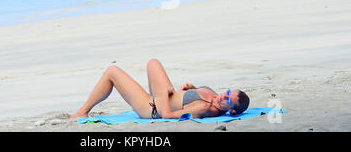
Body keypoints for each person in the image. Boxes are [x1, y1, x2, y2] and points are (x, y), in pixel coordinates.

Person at [70, 59, 250, 121]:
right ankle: (82, 112)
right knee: (153, 62)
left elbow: (167, 116)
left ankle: (82, 112)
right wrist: (191, 90)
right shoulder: (213, 99)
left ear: (231, 111)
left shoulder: (204, 108)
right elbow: (188, 99)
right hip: (163, 96)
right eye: (226, 92)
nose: (222, 96)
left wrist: (163, 94)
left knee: (112, 72)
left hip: (151, 107)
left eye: (227, 100)